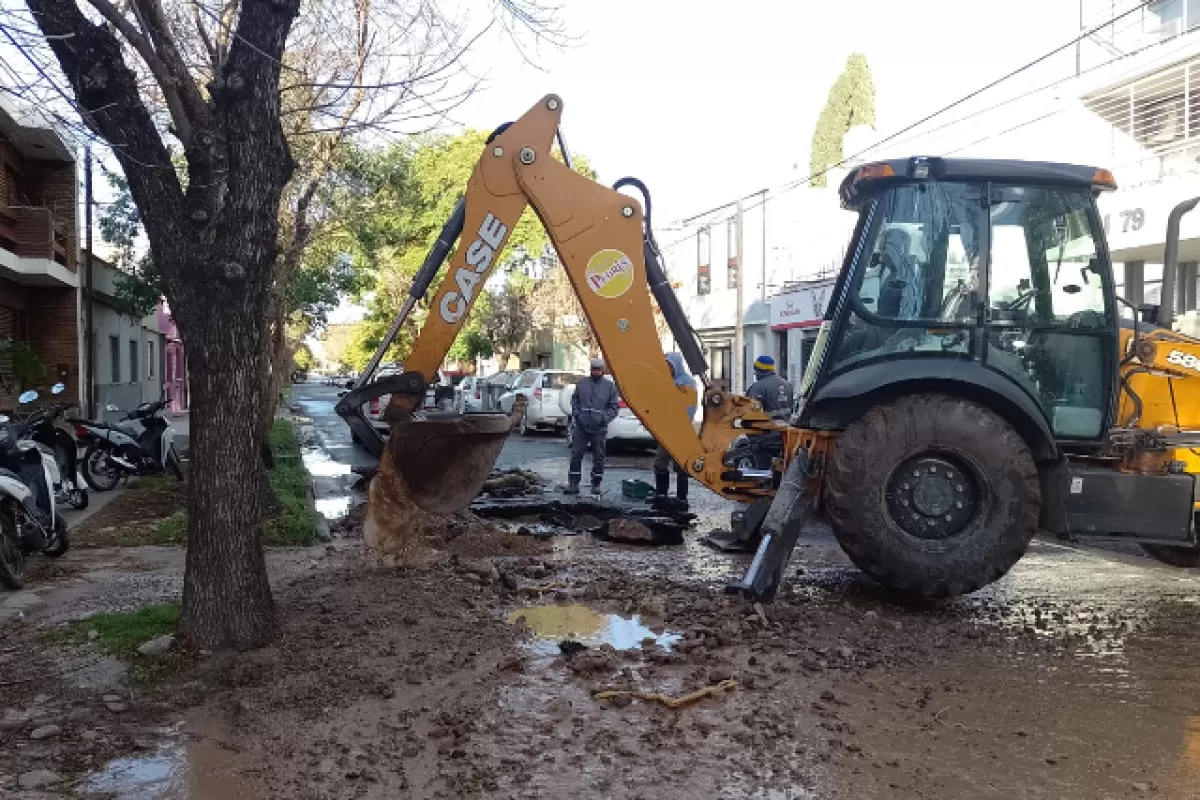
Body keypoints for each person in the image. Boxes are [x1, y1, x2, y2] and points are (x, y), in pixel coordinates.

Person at [566, 357, 619, 495]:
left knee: (599, 457)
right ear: (591, 369)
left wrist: (603, 419)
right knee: (576, 454)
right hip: (581, 427)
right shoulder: (582, 383)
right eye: (594, 369)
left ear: (602, 370)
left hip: (599, 429)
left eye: (598, 370)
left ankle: (596, 484)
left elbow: (614, 407)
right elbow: (575, 400)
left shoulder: (609, 387)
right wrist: (577, 415)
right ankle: (573, 483)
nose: (596, 372)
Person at [652, 353, 694, 511]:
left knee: (681, 465)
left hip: (681, 431)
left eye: (669, 365)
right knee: (660, 462)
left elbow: (689, 407)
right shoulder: (664, 381)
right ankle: (662, 495)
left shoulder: (687, 382)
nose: (666, 368)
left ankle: (681, 498)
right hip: (666, 430)